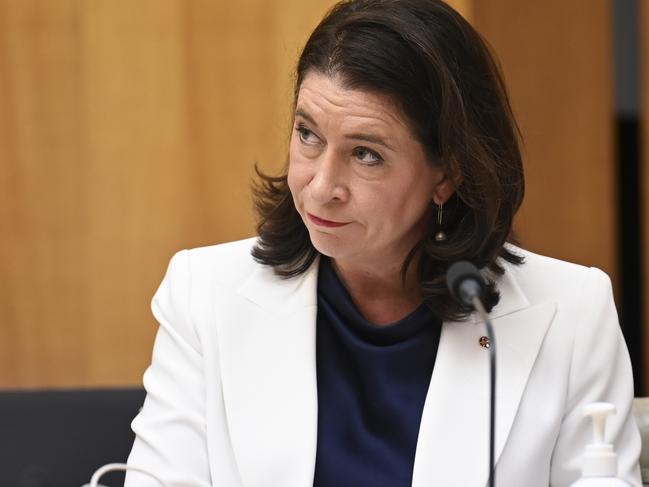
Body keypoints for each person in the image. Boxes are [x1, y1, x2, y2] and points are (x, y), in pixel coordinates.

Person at [125, 0, 641, 486]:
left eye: (366, 154)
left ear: (448, 173)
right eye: (308, 134)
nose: (322, 186)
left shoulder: (573, 313)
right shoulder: (204, 294)